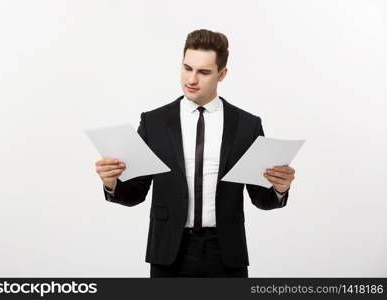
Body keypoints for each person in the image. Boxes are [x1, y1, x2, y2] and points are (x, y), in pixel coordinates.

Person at [95, 29, 295, 277]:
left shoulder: (247, 125)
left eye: (203, 72)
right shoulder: (153, 122)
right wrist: (111, 183)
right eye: (187, 68)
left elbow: (260, 198)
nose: (192, 79)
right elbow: (135, 193)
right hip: (169, 252)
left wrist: (280, 188)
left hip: (226, 253)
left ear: (222, 74)